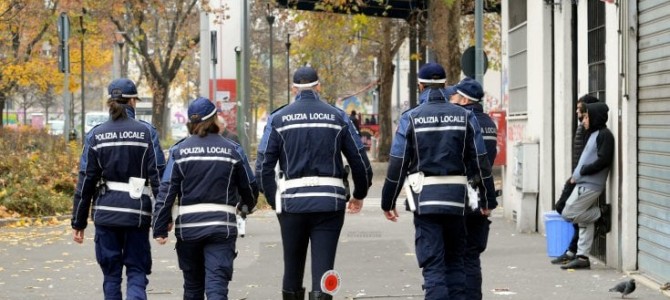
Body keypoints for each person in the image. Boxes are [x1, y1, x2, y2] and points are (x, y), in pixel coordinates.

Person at [381, 63, 496, 300]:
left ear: (420, 85)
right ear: (445, 85)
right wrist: (487, 198)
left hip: (425, 202)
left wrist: (388, 201)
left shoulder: (410, 117)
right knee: (455, 261)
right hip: (457, 200)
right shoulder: (465, 116)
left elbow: (398, 163)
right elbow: (481, 161)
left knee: (433, 265)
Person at [256, 66, 373, 300]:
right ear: (318, 87)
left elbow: (262, 167)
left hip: (291, 203)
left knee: (292, 266)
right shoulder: (337, 116)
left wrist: (274, 199)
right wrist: (359, 193)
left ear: (293, 89)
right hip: (329, 203)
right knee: (324, 269)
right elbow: (359, 160)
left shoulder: (279, 119)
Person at [153, 96, 259, 299]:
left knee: (192, 287)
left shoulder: (179, 151)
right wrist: (246, 205)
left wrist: (160, 226)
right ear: (215, 119)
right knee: (217, 286)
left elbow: (167, 190)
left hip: (189, 230)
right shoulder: (232, 150)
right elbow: (250, 185)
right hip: (221, 228)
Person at [71, 78, 163, 300]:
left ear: (109, 102)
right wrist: (163, 217)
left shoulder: (96, 135)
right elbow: (159, 176)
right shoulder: (147, 133)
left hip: (106, 213)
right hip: (137, 214)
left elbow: (86, 180)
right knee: (137, 271)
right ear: (132, 101)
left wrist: (78, 221)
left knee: (111, 276)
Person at [449, 77, 497, 300]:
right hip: (482, 192)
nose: (452, 99)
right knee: (472, 256)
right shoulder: (489, 122)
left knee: (459, 255)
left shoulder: (465, 121)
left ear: (464, 99)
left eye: (455, 95)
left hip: (464, 193)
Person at [560, 101, 615, 270]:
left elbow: (604, 160)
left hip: (591, 184)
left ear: (595, 117)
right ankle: (583, 257)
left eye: (586, 117)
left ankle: (600, 214)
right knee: (584, 222)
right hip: (583, 182)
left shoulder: (604, 135)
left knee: (568, 213)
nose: (583, 120)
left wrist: (583, 170)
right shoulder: (593, 133)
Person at [551, 94, 600, 265]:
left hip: (582, 179)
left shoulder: (592, 131)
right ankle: (574, 251)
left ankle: (575, 251)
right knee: (567, 210)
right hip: (577, 176)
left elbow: (592, 157)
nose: (577, 112)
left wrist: (577, 176)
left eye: (580, 110)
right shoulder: (584, 128)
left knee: (568, 211)